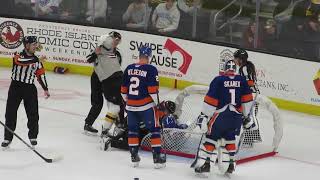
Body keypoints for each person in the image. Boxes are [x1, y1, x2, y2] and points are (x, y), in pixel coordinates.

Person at [192, 60, 255, 176]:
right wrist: (246, 116)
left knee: (211, 137)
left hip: (221, 115)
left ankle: (205, 164)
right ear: (235, 69)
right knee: (230, 137)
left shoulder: (218, 80)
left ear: (225, 69)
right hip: (236, 117)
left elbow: (211, 100)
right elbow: (247, 99)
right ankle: (230, 165)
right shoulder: (242, 80)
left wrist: (205, 115)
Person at [121, 45, 166, 168]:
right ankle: (157, 158)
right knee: (155, 130)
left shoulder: (129, 68)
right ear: (149, 57)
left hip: (131, 107)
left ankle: (134, 157)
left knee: (133, 131)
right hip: (146, 106)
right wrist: (158, 105)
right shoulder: (151, 69)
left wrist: (128, 103)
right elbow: (152, 91)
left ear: (139, 55)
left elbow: (123, 91)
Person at [1, 36, 50, 148]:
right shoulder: (18, 54)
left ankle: (33, 136)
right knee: (10, 113)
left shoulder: (36, 60)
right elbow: (20, 62)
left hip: (29, 89)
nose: (35, 47)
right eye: (33, 44)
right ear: (27, 45)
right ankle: (8, 138)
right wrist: (37, 60)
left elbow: (40, 74)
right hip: (15, 87)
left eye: (36, 44)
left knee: (33, 114)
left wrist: (45, 89)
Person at [84, 31, 124, 137]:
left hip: (108, 80)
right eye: (115, 40)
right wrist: (95, 53)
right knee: (98, 103)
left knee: (115, 102)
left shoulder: (117, 53)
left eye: (118, 41)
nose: (116, 43)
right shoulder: (100, 48)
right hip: (97, 78)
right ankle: (88, 124)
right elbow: (89, 59)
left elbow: (116, 66)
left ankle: (119, 122)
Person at [102, 100, 184, 151]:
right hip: (132, 125)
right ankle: (110, 142)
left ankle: (114, 137)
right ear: (164, 109)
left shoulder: (158, 112)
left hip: (137, 126)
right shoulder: (154, 114)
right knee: (133, 145)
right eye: (168, 112)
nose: (168, 114)